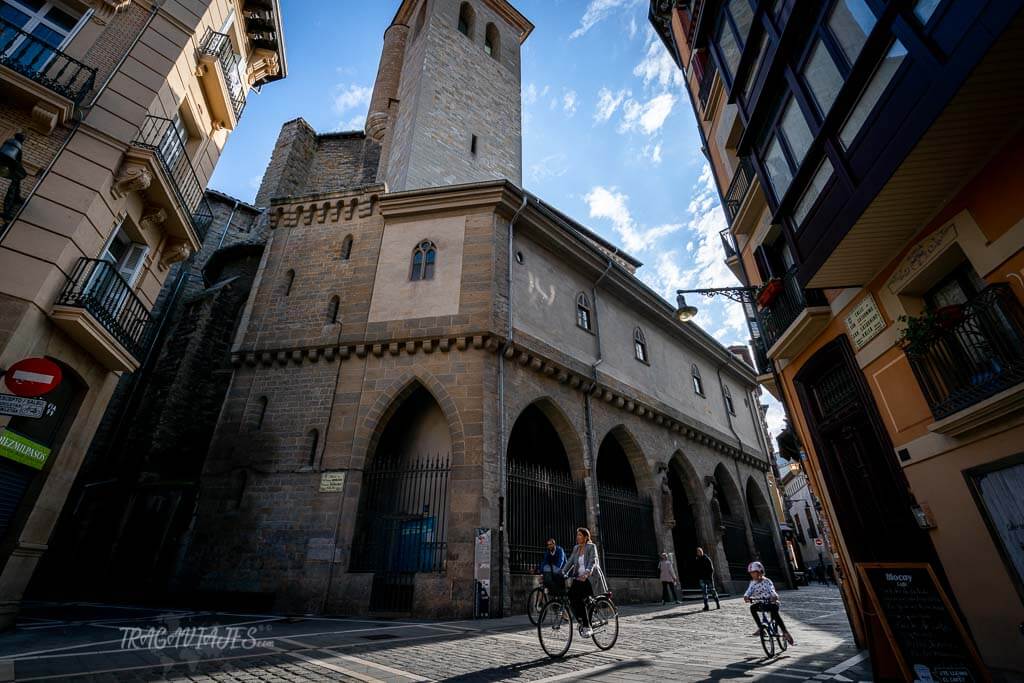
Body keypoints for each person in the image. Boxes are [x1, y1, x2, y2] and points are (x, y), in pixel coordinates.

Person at [565, 527, 608, 638]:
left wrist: (587, 573)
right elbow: (570, 561)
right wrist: (562, 572)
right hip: (579, 578)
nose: (577, 537)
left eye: (580, 535)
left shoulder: (591, 547)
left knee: (579, 599)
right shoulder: (576, 548)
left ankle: (587, 626)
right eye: (577, 535)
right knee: (570, 596)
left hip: (590, 578)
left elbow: (593, 561)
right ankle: (581, 619)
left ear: (585, 537)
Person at [743, 561, 794, 645]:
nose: (752, 575)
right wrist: (746, 596)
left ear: (760, 572)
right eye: (751, 573)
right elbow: (749, 591)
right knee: (752, 608)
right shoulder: (752, 583)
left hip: (771, 602)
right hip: (760, 603)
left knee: (774, 612)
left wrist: (774, 596)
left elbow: (771, 590)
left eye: (754, 573)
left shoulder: (767, 581)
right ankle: (761, 628)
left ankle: (785, 632)